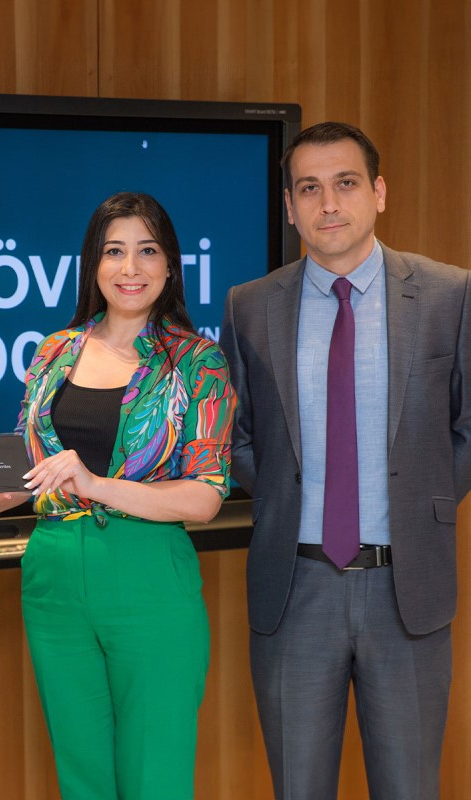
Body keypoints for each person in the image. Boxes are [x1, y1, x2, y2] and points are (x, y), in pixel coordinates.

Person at [220, 121, 471, 799]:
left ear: (379, 192)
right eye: (309, 188)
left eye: (346, 183)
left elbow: (467, 426)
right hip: (295, 589)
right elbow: (233, 435)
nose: (328, 203)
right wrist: (283, 497)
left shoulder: (449, 294)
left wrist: (421, 503)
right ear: (289, 206)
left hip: (407, 591)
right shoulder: (249, 306)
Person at [16, 191, 236, 799]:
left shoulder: (198, 361)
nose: (130, 268)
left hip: (149, 574)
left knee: (153, 775)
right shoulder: (53, 351)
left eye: (147, 251)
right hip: (53, 575)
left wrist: (96, 485)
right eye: (114, 251)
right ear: (93, 263)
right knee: (81, 775)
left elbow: (205, 496)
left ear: (170, 266)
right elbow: (33, 470)